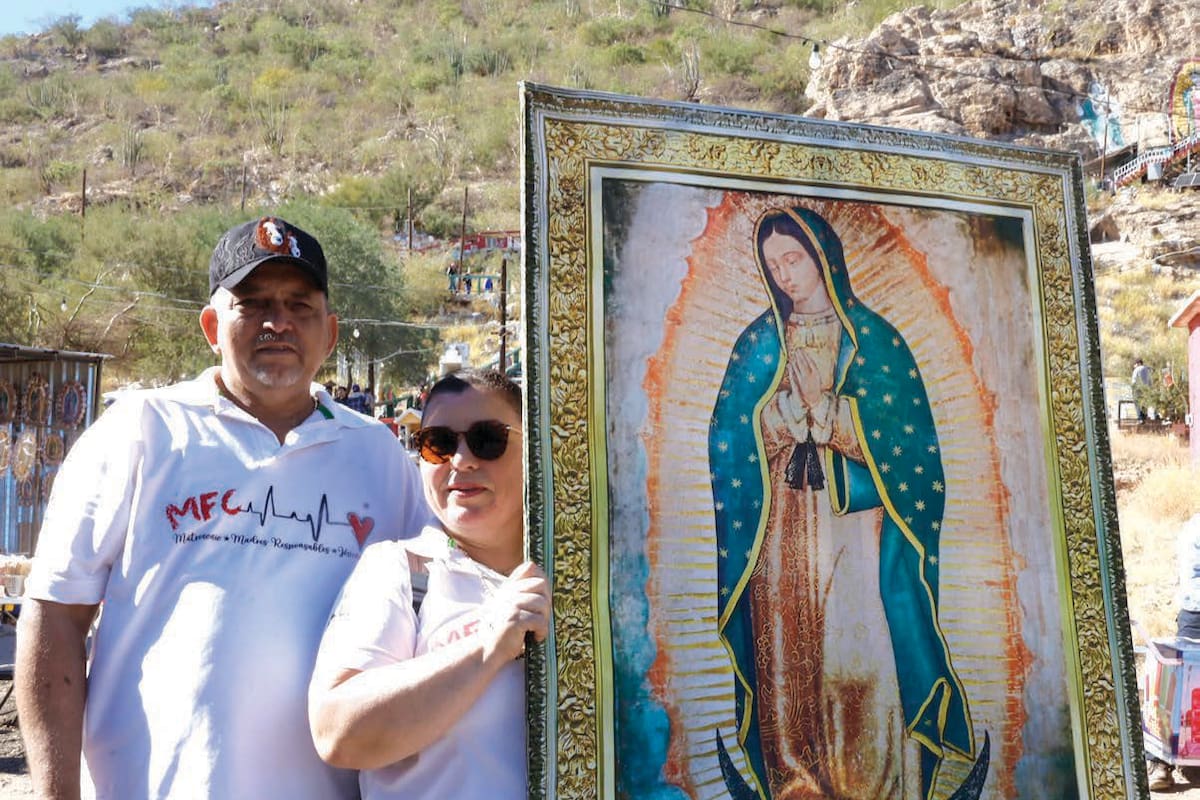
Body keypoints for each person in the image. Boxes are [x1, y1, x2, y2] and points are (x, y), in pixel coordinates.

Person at [17, 215, 433, 799]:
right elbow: (56, 614)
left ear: (330, 332)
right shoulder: (142, 430)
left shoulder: (381, 456)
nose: (278, 322)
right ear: (213, 325)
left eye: (299, 305)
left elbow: (436, 616)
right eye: (253, 303)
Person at [708, 207, 983, 800]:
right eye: (773, 264)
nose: (785, 274)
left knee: (858, 658)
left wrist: (834, 416)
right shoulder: (759, 342)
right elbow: (728, 439)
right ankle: (796, 785)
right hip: (779, 524)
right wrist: (780, 418)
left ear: (822, 257)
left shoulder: (873, 340)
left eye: (794, 259)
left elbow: (912, 448)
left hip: (857, 526)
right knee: (787, 662)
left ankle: (878, 784)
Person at [309, 369, 550, 799]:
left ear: (534, 448)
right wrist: (487, 647)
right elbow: (337, 732)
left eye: (488, 439)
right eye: (437, 443)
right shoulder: (402, 570)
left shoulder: (590, 580)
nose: (461, 461)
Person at [1147, 514, 1200, 790]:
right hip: (1197, 616)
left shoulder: (1191, 524)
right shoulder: (1196, 527)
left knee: (1181, 687)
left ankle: (1165, 762)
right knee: (1179, 688)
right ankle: (1160, 762)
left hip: (1192, 615)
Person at [1132, 358, 1152, 422]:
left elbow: (1134, 381)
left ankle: (1140, 418)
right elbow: (1150, 381)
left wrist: (1133, 389)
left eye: (1135, 364)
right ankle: (1145, 416)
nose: (1134, 366)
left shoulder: (1136, 369)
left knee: (1137, 402)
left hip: (1138, 389)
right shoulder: (1147, 369)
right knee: (1145, 403)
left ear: (1138, 363)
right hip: (1146, 389)